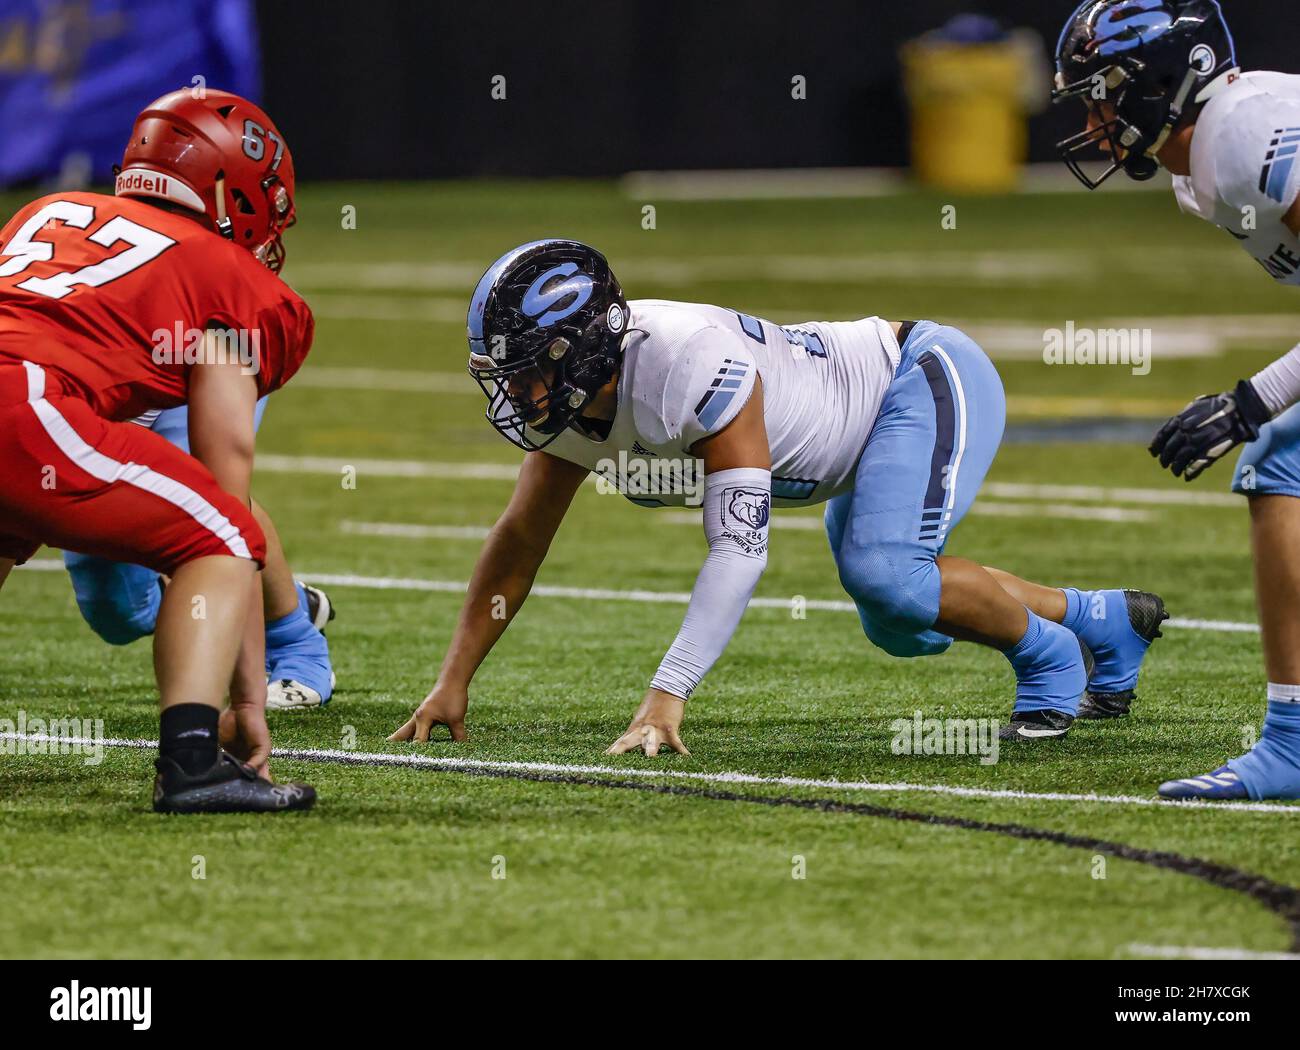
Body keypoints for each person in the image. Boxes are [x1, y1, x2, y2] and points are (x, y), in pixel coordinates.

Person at [390, 239, 1166, 754]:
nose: (516, 392)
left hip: (918, 380)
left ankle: (1050, 658)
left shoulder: (687, 366)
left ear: (585, 349)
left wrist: (667, 697)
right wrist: (453, 679)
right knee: (895, 619)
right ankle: (1103, 620)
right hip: (847, 435)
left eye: (527, 367)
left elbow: (739, 547)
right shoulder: (571, 408)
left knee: (887, 575)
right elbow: (520, 542)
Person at [0, 88, 321, 810]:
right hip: (23, 399)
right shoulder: (233, 277)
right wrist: (246, 701)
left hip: (22, 400)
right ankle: (191, 764)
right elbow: (225, 486)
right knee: (219, 535)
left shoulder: (47, 211)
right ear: (230, 186)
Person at [1054, 0, 1300, 800]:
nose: (1094, 116)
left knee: (1278, 461)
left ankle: (1294, 746)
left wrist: (1253, 400)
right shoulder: (1203, 172)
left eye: (1102, 91)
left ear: (1158, 81)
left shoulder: (1245, 134)